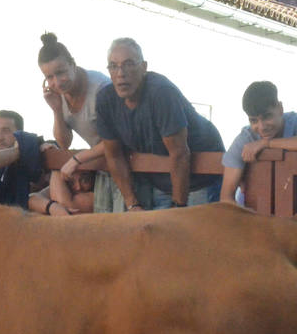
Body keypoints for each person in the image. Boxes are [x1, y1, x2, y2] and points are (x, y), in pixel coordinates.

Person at [95, 38, 224, 210]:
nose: (120, 73)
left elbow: (179, 153)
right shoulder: (105, 100)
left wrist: (178, 207)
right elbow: (114, 155)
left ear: (143, 67)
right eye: (113, 66)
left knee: (192, 234)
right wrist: (132, 204)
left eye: (129, 64)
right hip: (161, 181)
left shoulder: (161, 93)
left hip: (201, 177)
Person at [37, 33, 115, 213]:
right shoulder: (59, 95)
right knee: (67, 203)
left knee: (77, 206)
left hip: (123, 162)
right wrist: (56, 110)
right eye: (49, 77)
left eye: (61, 72)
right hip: (101, 165)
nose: (56, 82)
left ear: (73, 64)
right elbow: (64, 143)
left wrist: (77, 159)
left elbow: (116, 140)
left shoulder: (101, 89)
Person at [221, 81, 297, 217]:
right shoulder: (245, 139)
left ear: (280, 108)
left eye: (267, 117)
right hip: (256, 226)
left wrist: (266, 143)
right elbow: (226, 198)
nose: (261, 127)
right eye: (254, 121)